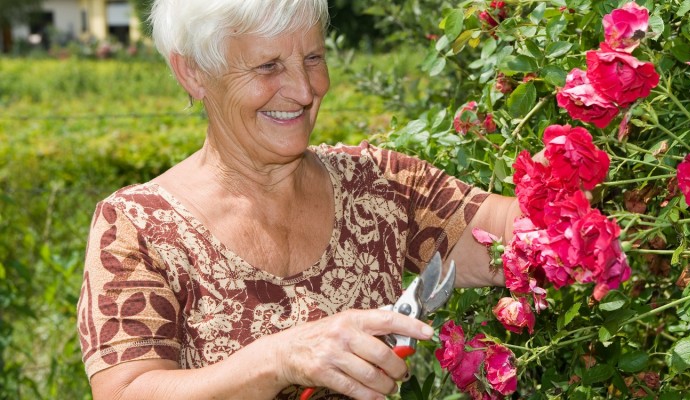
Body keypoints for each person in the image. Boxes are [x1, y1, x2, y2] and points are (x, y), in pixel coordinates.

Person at [76, 1, 521, 399]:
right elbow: (126, 391)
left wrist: (567, 167)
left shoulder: (379, 185)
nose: (305, 91)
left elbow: (514, 236)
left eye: (312, 58)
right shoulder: (138, 226)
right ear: (193, 73)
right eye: (268, 66)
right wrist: (279, 359)